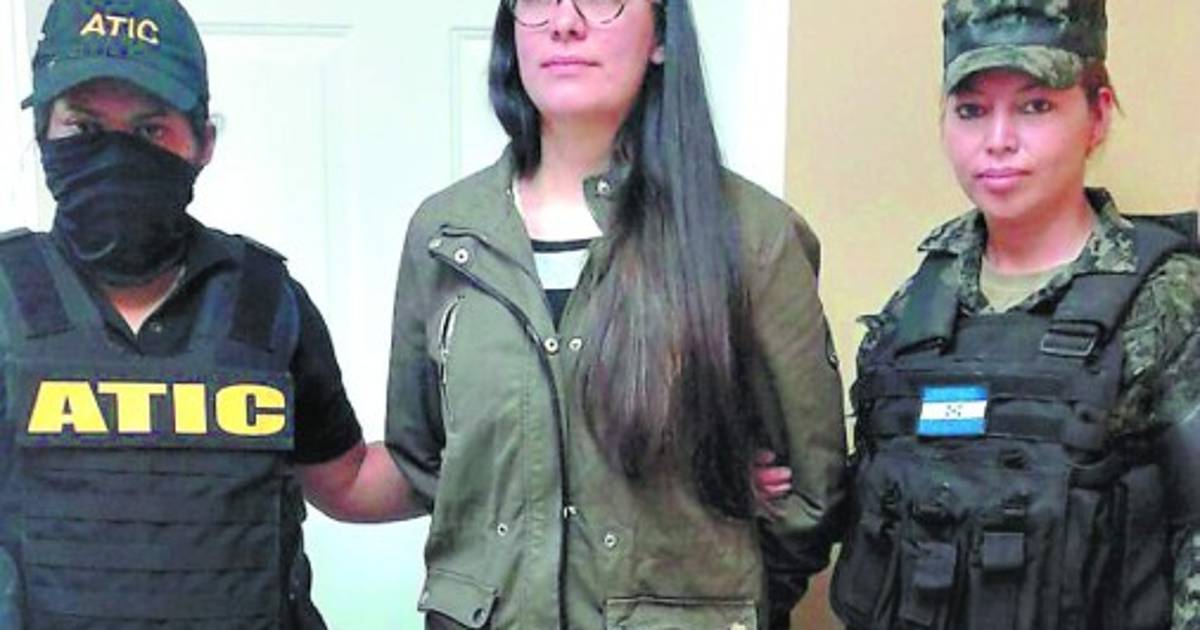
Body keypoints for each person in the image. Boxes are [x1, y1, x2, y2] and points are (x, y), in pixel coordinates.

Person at [383, 0, 847, 627]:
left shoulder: (751, 235)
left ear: (662, 36)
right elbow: (426, 459)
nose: (564, 22)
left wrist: (706, 595)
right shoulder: (446, 233)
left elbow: (809, 499)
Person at [0, 1, 416, 628]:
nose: (115, 155)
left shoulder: (264, 300)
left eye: (149, 131)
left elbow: (350, 481)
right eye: (83, 128)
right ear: (42, 136)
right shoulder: (7, 296)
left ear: (203, 143)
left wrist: (515, 445)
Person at [827, 1, 1200, 628]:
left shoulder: (1170, 300)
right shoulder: (914, 308)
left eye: (1035, 106)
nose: (997, 140)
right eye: (972, 111)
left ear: (1098, 115)